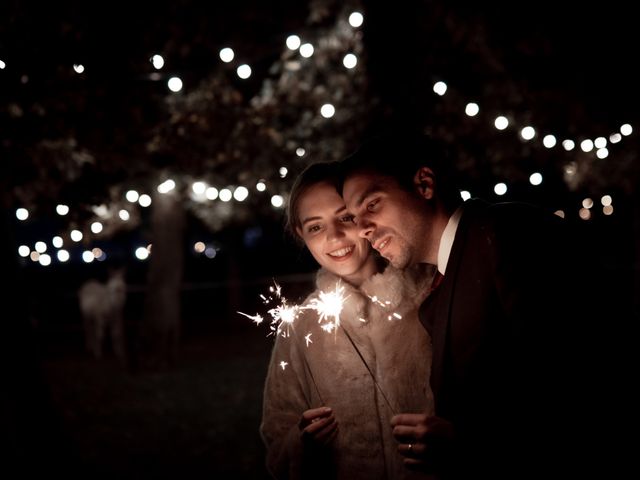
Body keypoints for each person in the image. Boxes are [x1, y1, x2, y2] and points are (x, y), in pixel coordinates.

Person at [339, 132, 608, 478]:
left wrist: (468, 443)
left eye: (372, 205)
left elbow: (578, 377)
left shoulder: (508, 233)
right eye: (354, 218)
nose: (361, 229)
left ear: (424, 184)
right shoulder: (438, 291)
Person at [260, 161, 439, 479]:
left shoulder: (430, 295)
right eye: (316, 226)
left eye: (344, 218)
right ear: (301, 234)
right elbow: (277, 440)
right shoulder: (301, 326)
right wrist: (301, 443)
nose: (335, 235)